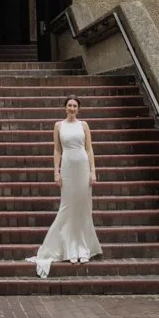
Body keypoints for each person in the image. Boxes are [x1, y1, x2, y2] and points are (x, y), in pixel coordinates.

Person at [29, 96, 102, 279]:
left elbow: (89, 148)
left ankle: (82, 248)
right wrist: (56, 172)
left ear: (78, 109)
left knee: (83, 207)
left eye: (74, 106)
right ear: (65, 108)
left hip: (83, 166)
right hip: (68, 167)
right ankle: (69, 248)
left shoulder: (84, 125)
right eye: (69, 105)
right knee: (67, 207)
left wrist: (93, 172)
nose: (71, 108)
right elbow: (57, 150)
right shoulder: (58, 126)